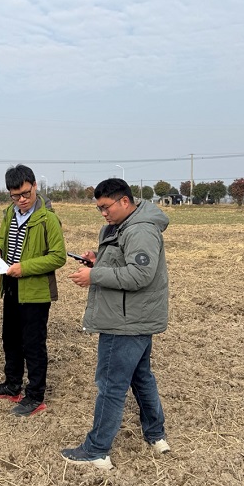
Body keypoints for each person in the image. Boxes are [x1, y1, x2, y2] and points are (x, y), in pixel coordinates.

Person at [62, 177, 171, 470]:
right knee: (141, 377)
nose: (103, 213)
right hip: (133, 316)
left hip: (125, 322)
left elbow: (140, 275)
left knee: (111, 385)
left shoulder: (140, 230)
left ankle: (96, 450)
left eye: (106, 207)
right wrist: (98, 259)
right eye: (99, 208)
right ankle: (156, 435)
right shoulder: (124, 225)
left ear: (125, 201)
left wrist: (94, 275)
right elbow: (124, 260)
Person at [0, 164, 66, 416]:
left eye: (25, 194)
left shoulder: (48, 219)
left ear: (35, 186)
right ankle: (12, 385)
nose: (21, 200)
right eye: (15, 196)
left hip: (35, 290)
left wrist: (25, 268)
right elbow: (3, 238)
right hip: (11, 285)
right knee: (10, 338)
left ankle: (35, 395)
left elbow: (58, 257)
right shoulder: (10, 213)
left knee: (33, 343)